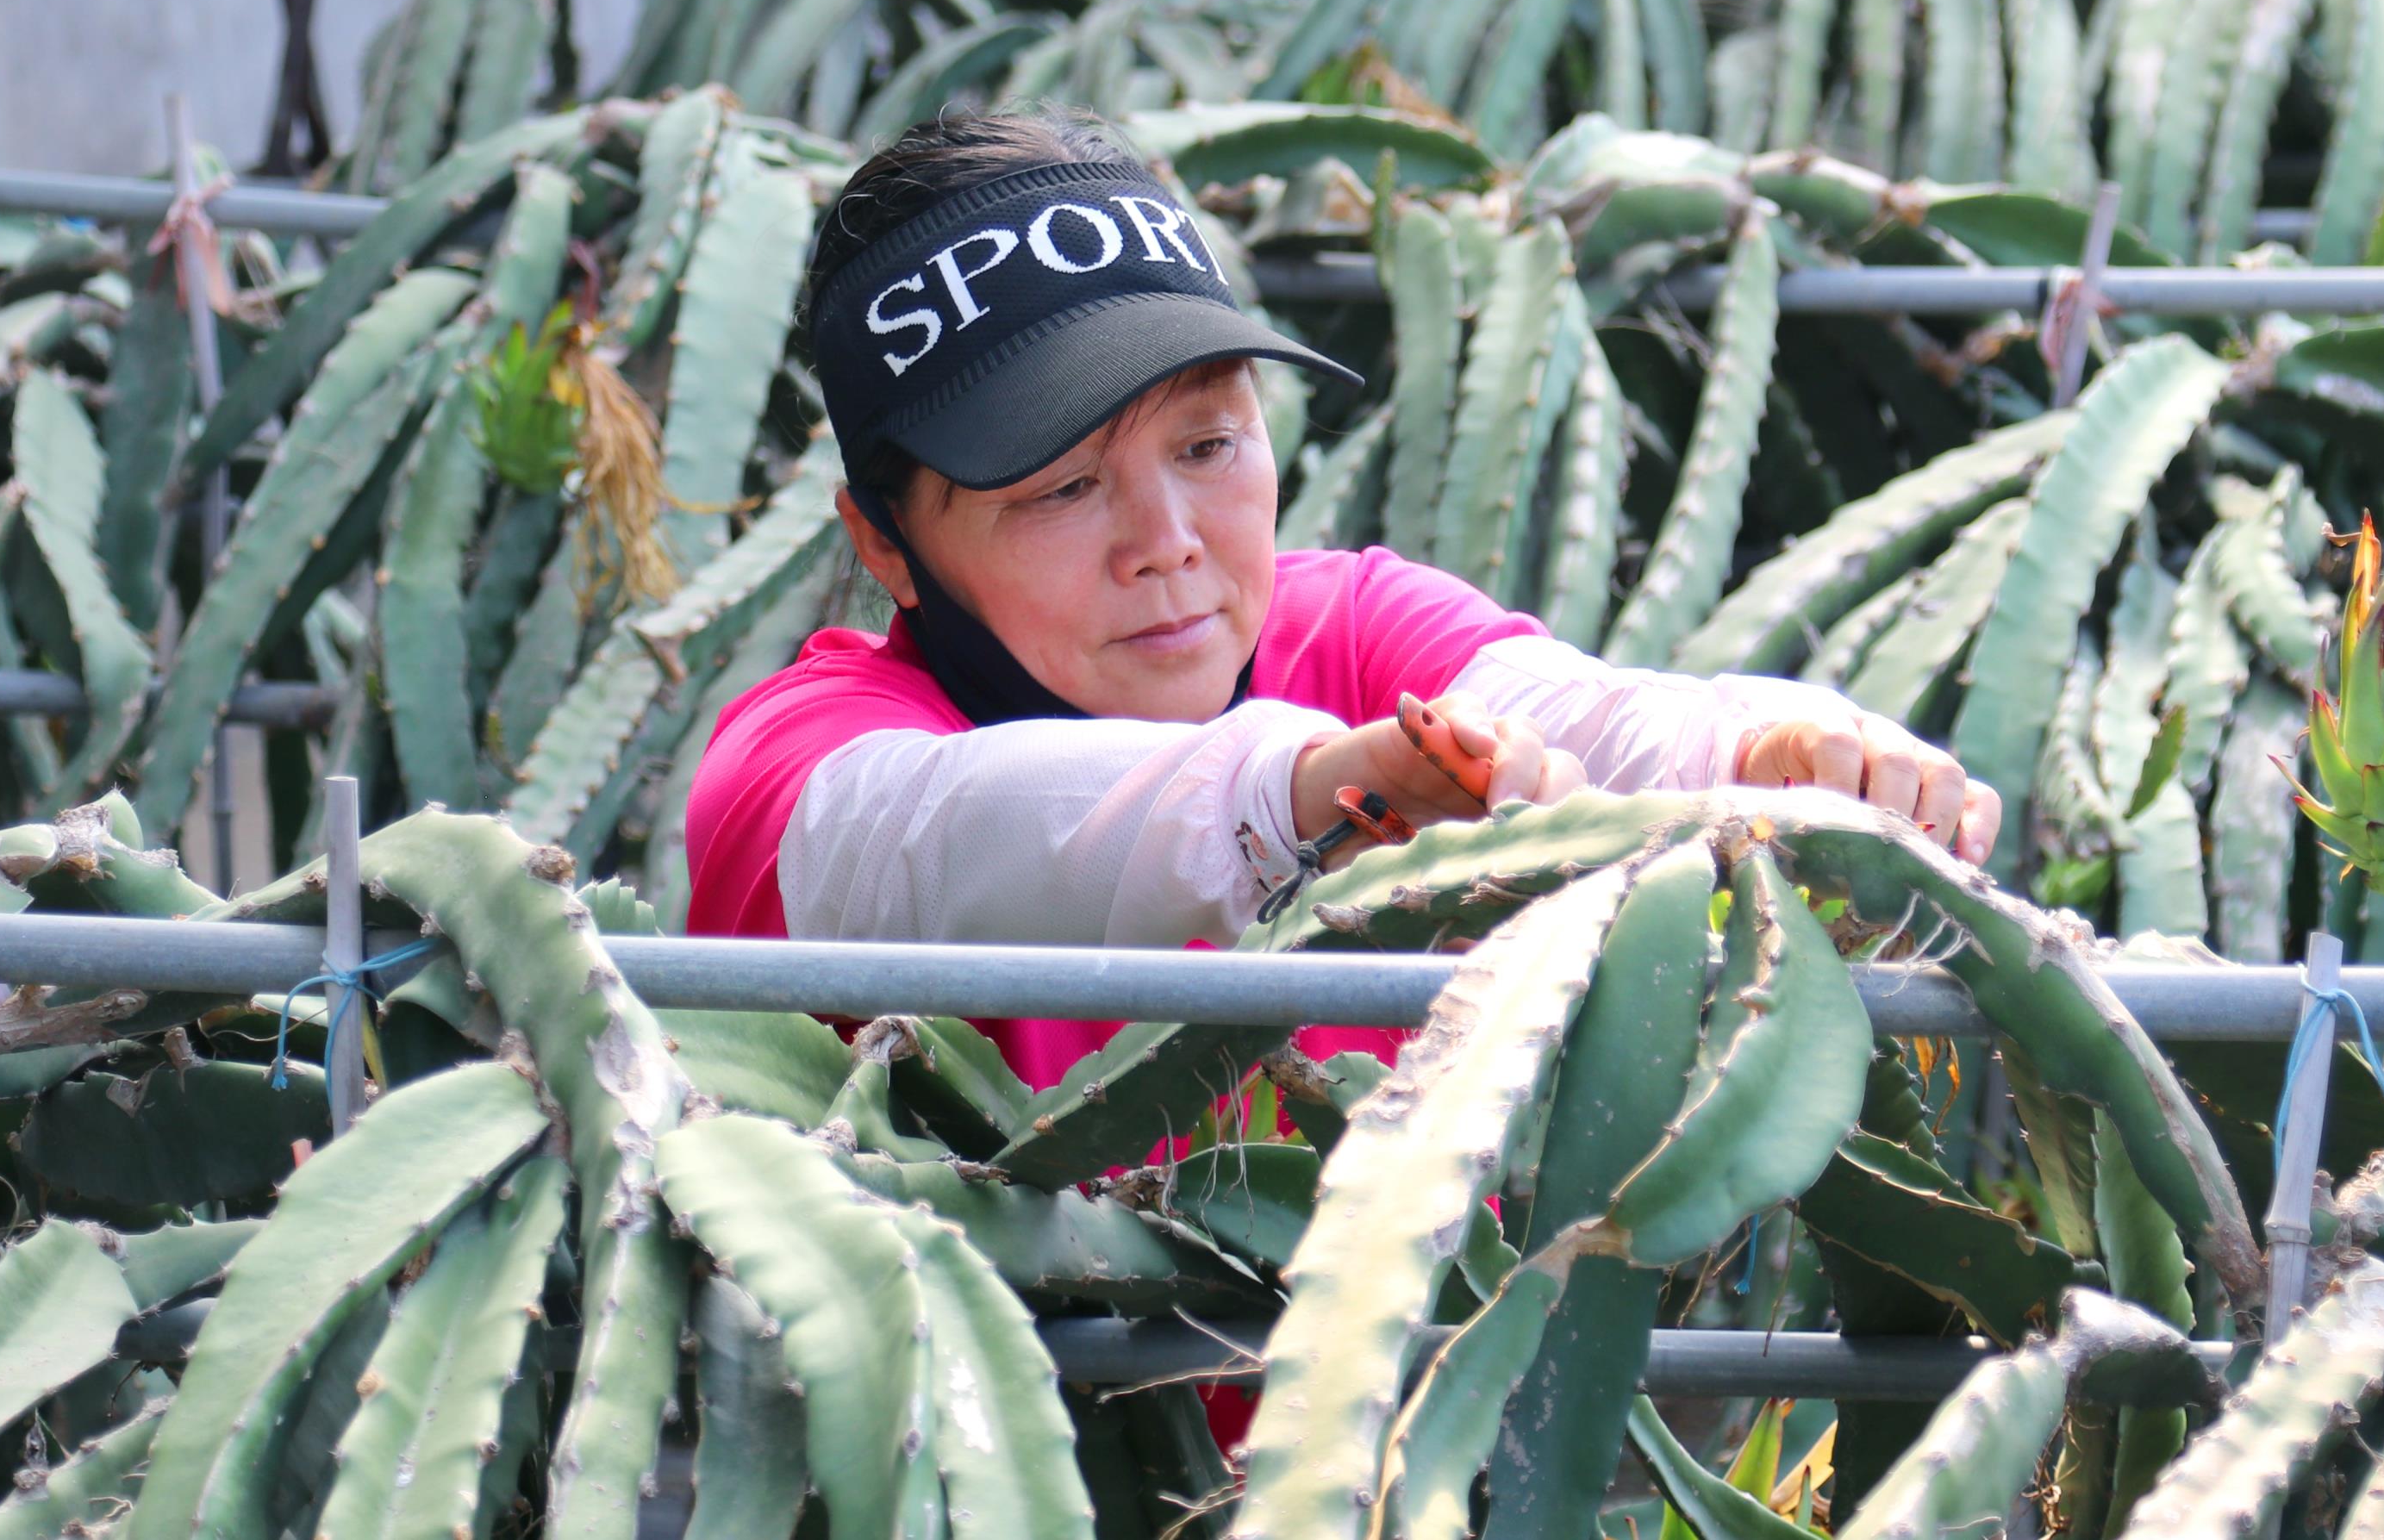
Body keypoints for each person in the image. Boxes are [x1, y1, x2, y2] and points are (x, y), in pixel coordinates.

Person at [678, 109, 2000, 1087]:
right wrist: (1310, 796)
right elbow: (957, 835)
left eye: (1209, 444)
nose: (1167, 543)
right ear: (884, 542)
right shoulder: (795, 770)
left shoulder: (1353, 626)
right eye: (1061, 488)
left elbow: (1587, 720)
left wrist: (1775, 752)